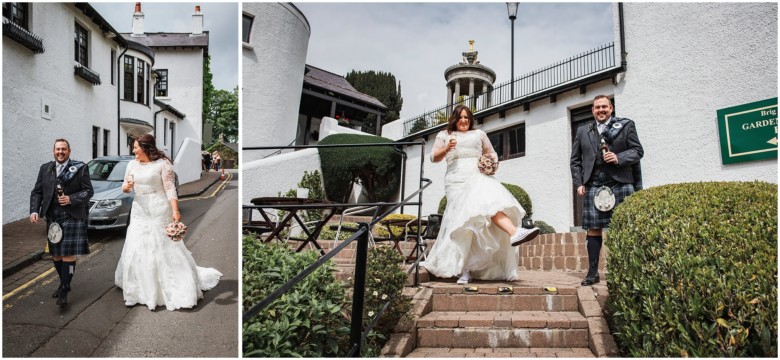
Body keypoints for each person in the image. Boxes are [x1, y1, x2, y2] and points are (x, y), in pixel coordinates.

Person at [423, 105, 540, 285]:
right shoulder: (444, 135)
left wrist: (490, 164)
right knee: (464, 222)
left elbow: (491, 153)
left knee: (488, 206)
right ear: (455, 119)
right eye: (461, 117)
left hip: (477, 176)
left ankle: (514, 232)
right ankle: (464, 269)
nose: (464, 121)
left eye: (467, 118)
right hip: (456, 180)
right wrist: (446, 149)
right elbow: (433, 158)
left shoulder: (479, 134)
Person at [115, 134, 222, 310]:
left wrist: (175, 211)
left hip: (159, 208)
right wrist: (126, 188)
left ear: (145, 147)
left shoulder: (163, 164)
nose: (133, 150)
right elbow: (125, 185)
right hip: (139, 210)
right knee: (137, 244)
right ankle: (139, 287)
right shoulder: (131, 164)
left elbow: (170, 189)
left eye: (135, 147)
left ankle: (169, 286)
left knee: (162, 245)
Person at [570, 95, 643, 286]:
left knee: (624, 227)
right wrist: (579, 183)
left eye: (604, 107)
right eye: (597, 107)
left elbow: (637, 151)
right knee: (593, 229)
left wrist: (619, 157)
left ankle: (627, 271)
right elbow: (575, 160)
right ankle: (593, 272)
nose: (600, 110)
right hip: (593, 183)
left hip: (620, 182)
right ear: (592, 110)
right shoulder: (583, 130)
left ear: (611, 108)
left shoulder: (626, 125)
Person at [30, 139, 93, 306]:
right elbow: (37, 192)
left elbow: (89, 191)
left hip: (72, 215)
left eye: (63, 149)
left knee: (68, 254)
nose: (60, 152)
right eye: (58, 149)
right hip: (52, 217)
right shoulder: (45, 168)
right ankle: (64, 282)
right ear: (53, 151)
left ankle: (64, 288)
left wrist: (71, 199)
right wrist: (34, 210)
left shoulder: (80, 168)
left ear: (69, 151)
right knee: (56, 254)